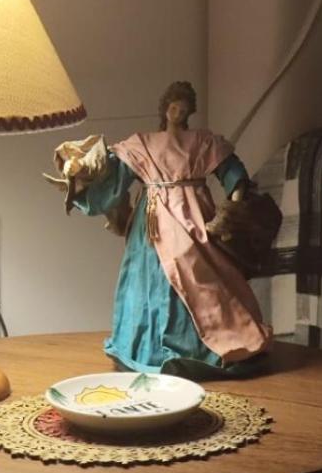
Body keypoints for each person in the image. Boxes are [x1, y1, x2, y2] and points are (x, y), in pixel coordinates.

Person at [46, 81, 273, 376]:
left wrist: (235, 205)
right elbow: (116, 178)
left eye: (185, 109)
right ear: (165, 109)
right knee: (148, 279)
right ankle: (146, 347)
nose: (179, 113)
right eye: (174, 107)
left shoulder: (201, 141)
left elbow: (231, 170)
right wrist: (83, 176)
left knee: (200, 273)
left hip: (193, 218)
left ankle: (207, 346)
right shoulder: (143, 144)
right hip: (151, 224)